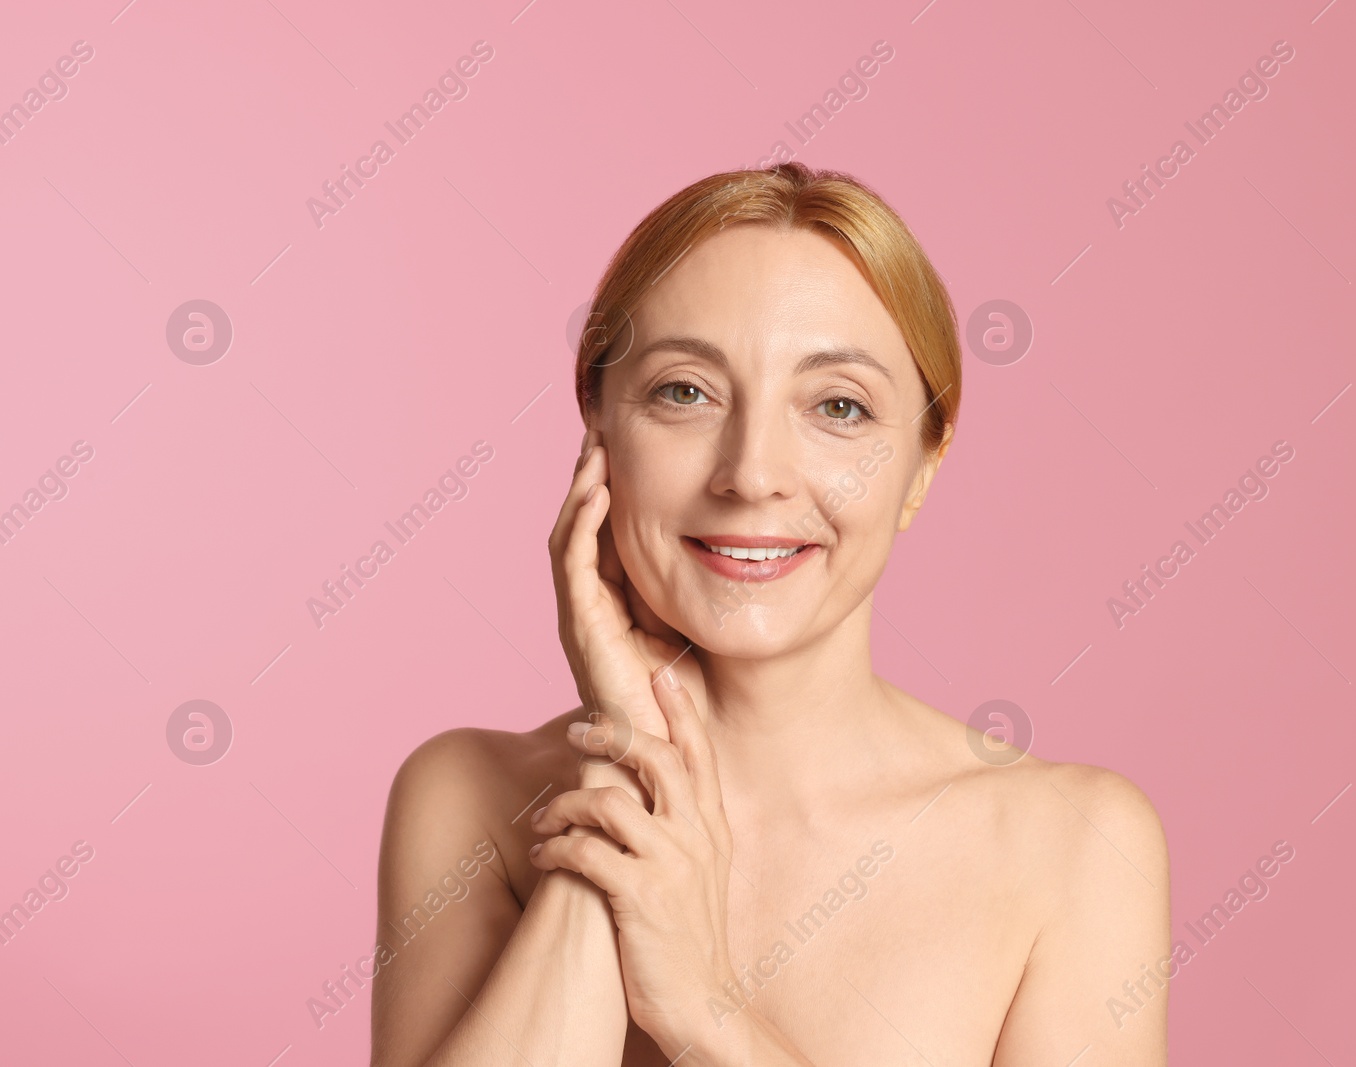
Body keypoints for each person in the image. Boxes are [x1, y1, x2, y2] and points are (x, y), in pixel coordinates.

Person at [372, 162, 1169, 1066]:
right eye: (685, 391)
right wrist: (626, 771)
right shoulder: (465, 794)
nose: (752, 473)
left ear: (923, 467)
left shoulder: (1072, 845)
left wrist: (706, 1012)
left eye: (839, 406)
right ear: (597, 425)